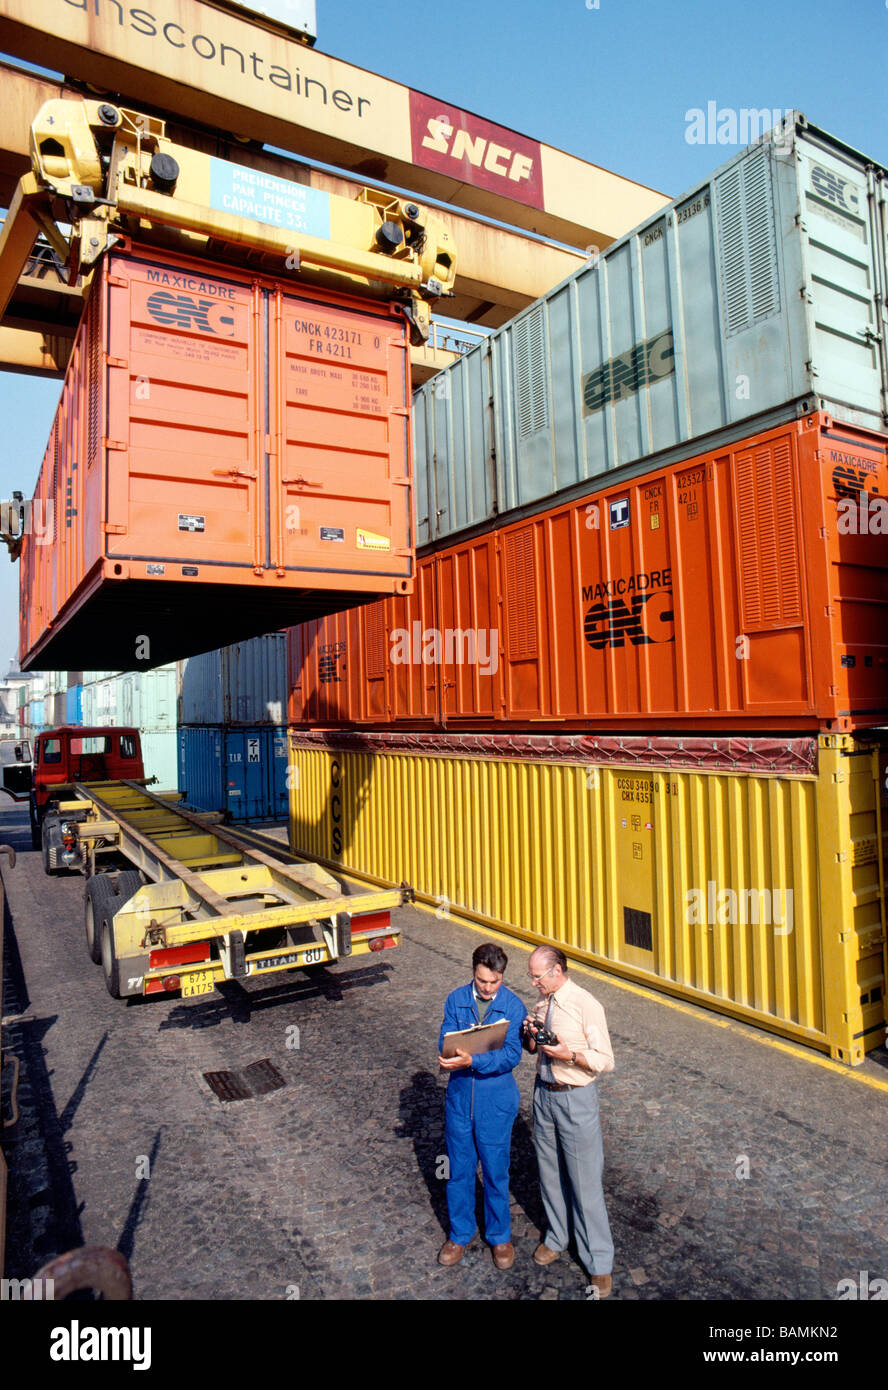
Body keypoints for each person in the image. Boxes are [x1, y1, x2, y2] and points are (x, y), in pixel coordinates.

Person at [523, 944, 615, 1297]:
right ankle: (557, 1236)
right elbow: (534, 1049)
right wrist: (530, 1035)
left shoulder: (586, 1005)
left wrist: (570, 1055)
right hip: (543, 1094)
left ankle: (599, 1262)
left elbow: (605, 1060)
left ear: (557, 971)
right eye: (531, 976)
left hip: (575, 1099)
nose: (533, 983)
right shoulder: (543, 1004)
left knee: (585, 1181)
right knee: (549, 1172)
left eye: (537, 977)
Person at [437, 941, 527, 1270]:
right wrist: (448, 1057)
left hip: (495, 1102)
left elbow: (512, 1055)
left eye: (495, 982)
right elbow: (446, 1038)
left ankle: (499, 1235)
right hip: (461, 1100)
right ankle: (459, 1233)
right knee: (458, 1171)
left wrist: (473, 1059)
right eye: (482, 981)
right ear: (473, 972)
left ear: (502, 977)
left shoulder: (514, 1007)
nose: (488, 988)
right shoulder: (455, 999)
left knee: (495, 1171)